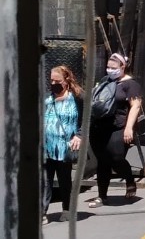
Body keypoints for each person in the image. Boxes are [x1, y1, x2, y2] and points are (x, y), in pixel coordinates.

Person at [86, 53, 142, 208]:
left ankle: (129, 178)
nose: (110, 70)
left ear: (123, 67)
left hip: (118, 127)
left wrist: (129, 128)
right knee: (102, 161)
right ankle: (102, 196)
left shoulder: (131, 85)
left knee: (116, 157)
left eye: (114, 68)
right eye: (108, 67)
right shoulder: (104, 81)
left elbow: (135, 106)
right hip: (99, 126)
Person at [43, 65, 83, 224]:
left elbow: (87, 118)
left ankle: (67, 209)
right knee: (44, 181)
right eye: (51, 80)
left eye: (57, 80)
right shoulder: (47, 97)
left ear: (66, 80)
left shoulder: (78, 97)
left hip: (65, 148)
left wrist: (79, 135)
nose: (53, 83)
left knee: (64, 180)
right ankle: (42, 213)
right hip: (46, 147)